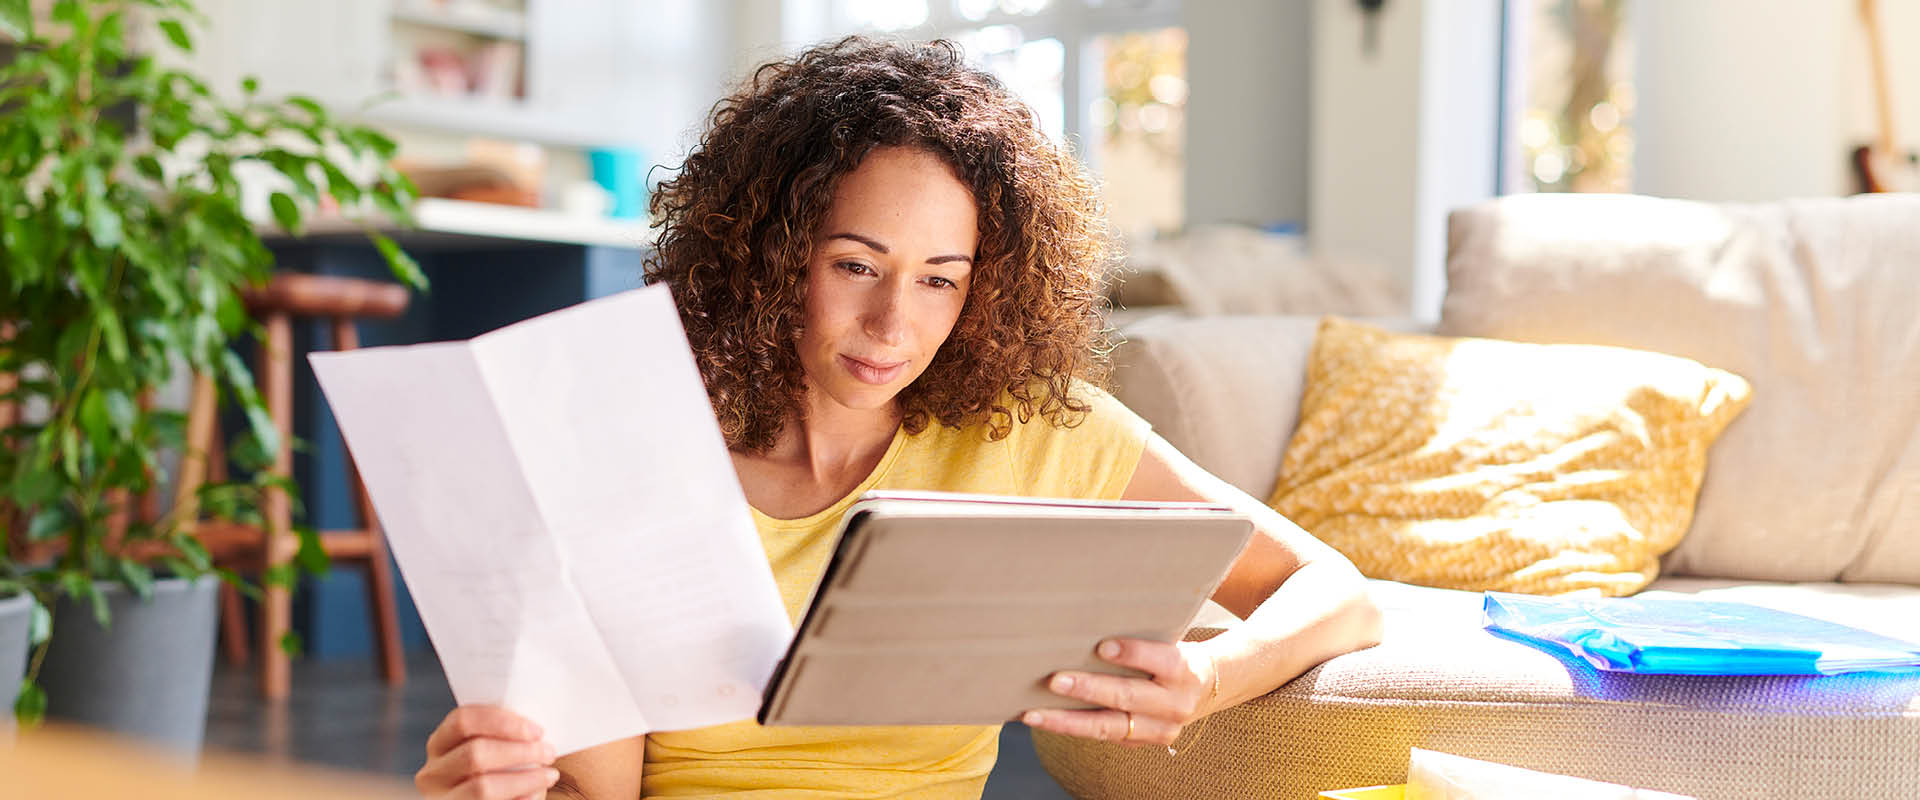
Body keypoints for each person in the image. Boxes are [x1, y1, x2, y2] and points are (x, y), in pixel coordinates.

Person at [414, 36, 1382, 800]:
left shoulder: (1032, 432)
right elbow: (596, 789)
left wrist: (1208, 678)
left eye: (939, 281)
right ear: (770, 252)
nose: (893, 324)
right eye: (855, 265)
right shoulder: (638, 454)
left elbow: (1336, 589)